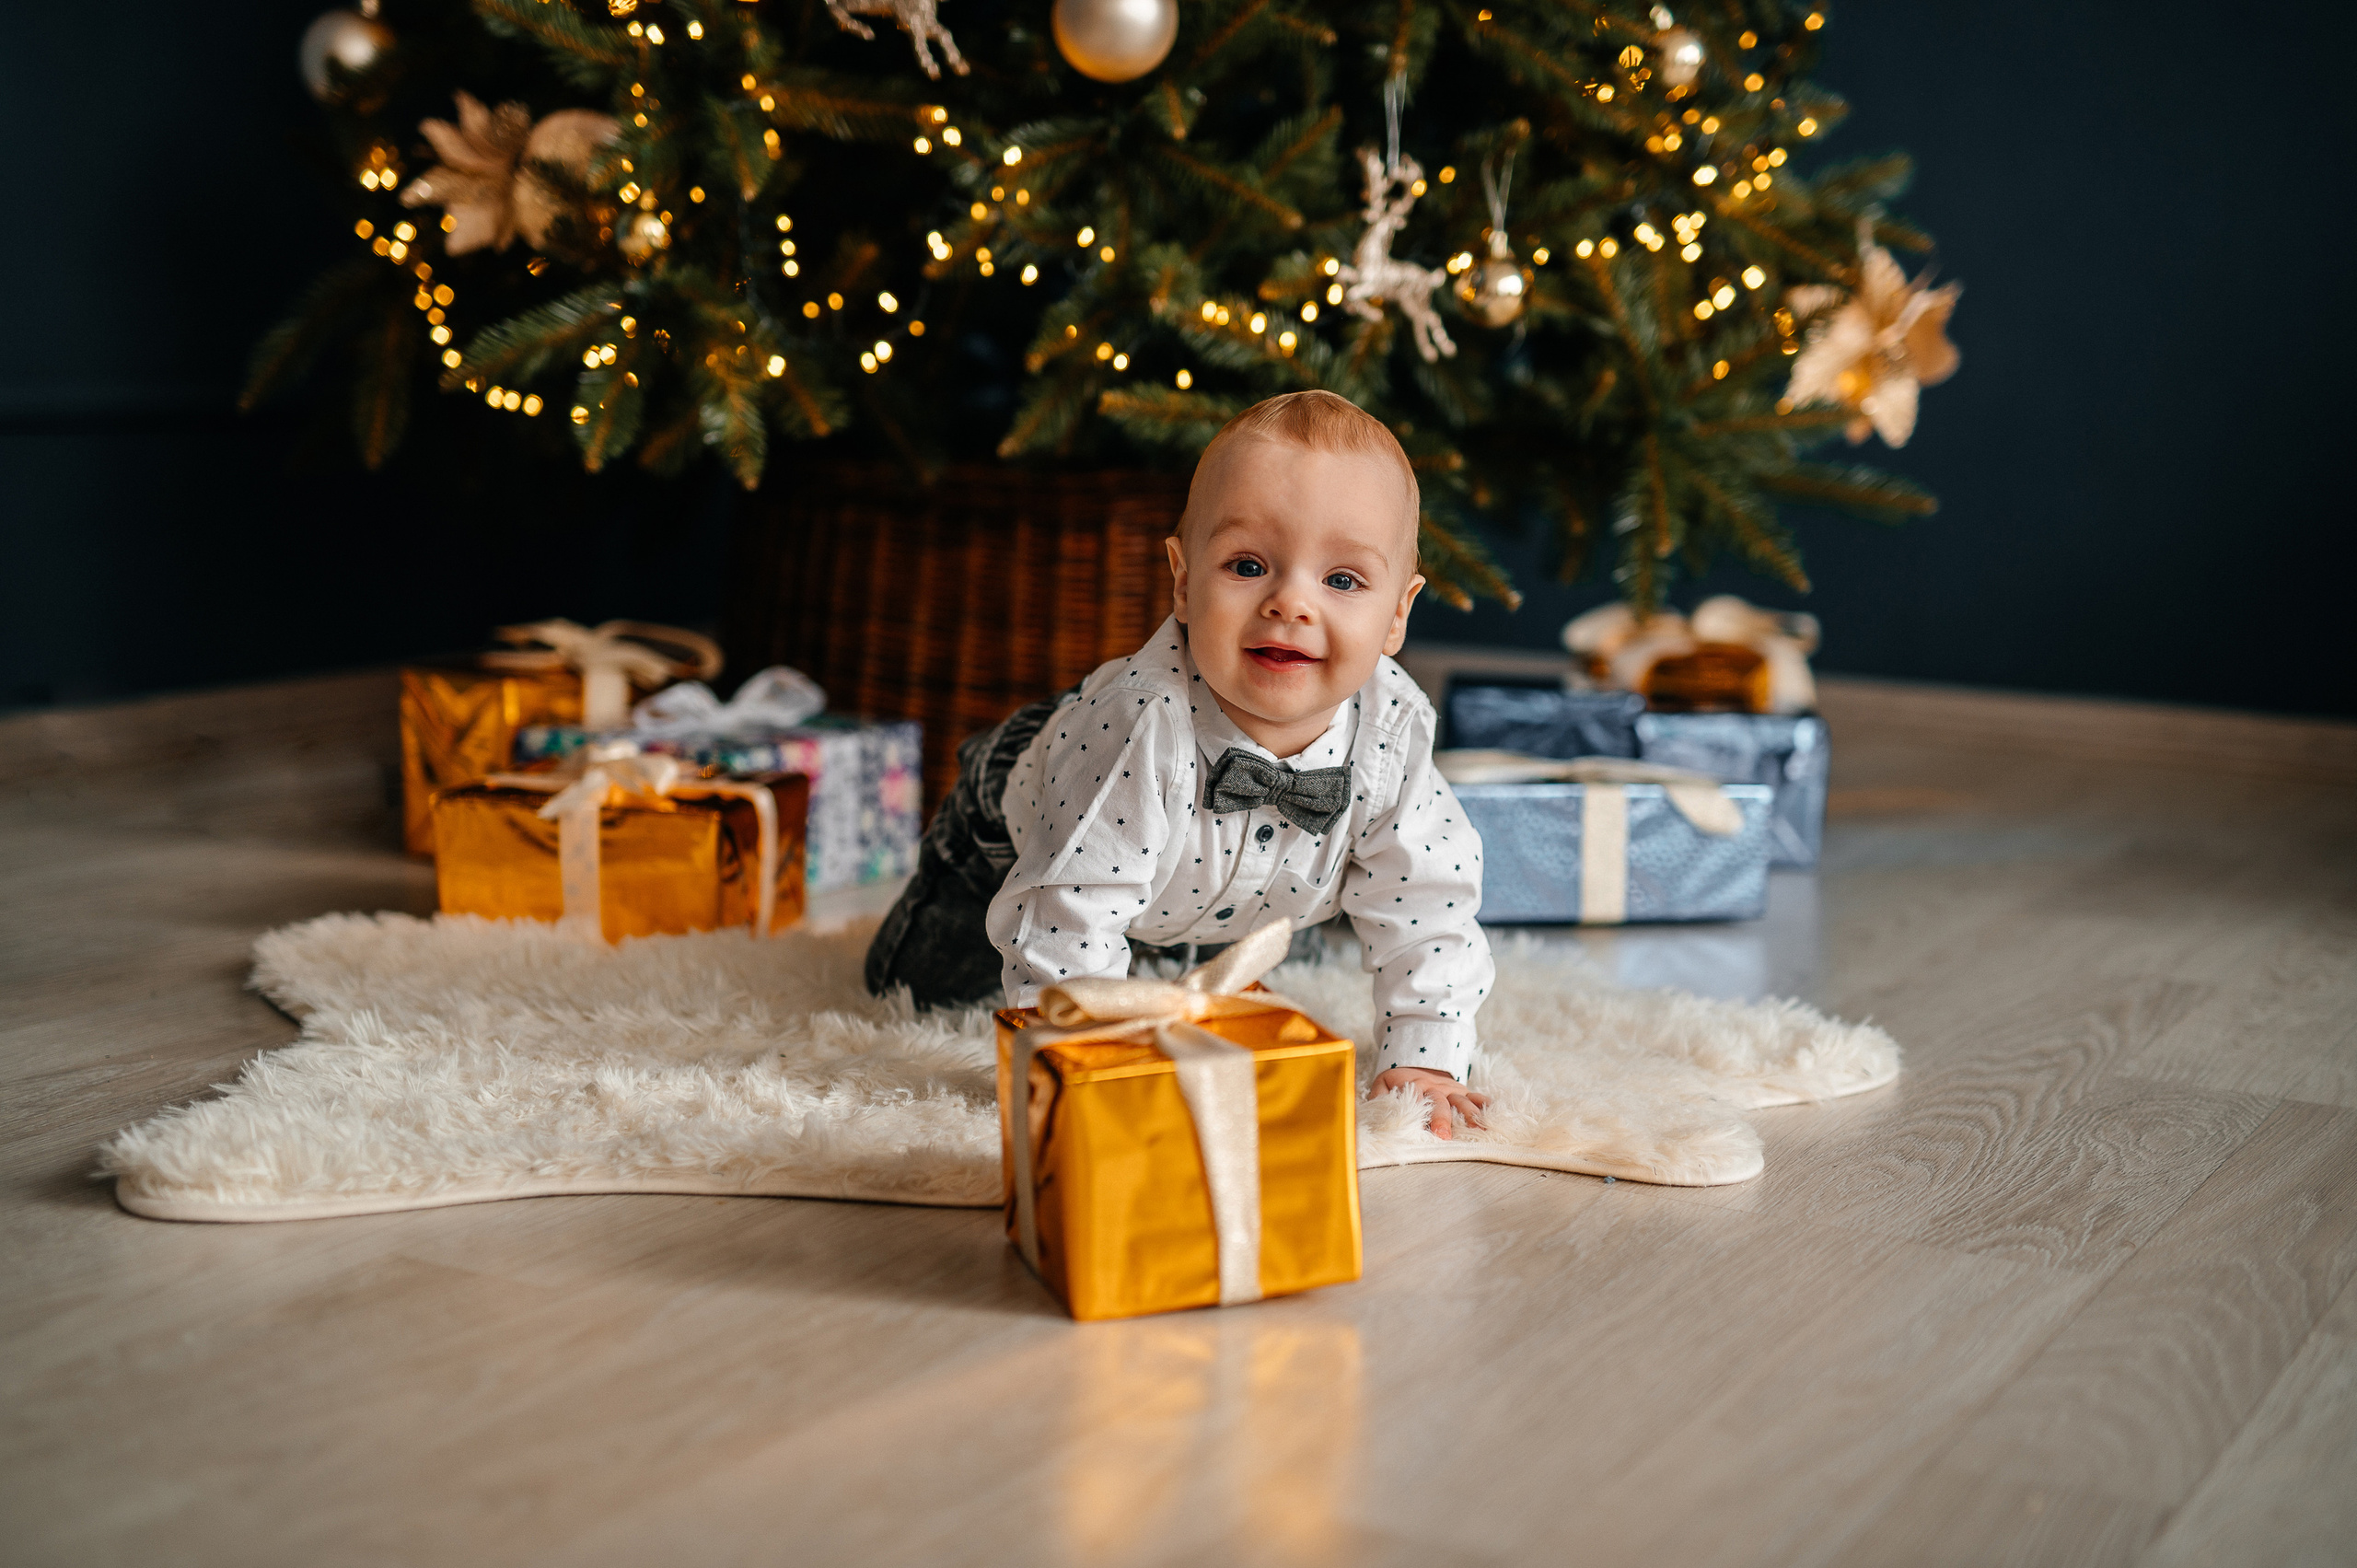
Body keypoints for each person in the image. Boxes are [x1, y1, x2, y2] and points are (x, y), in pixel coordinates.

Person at [866, 389, 1494, 1137]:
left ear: (1397, 614)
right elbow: (1068, 919)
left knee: (1222, 984)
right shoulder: (1139, 727)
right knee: (927, 989)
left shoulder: (1393, 732)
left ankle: (1172, 941)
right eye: (1248, 565)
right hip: (1038, 833)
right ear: (1184, 581)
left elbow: (1429, 907)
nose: (1291, 603)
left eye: (1342, 580)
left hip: (1211, 879)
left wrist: (1426, 1059)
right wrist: (1093, 1070)